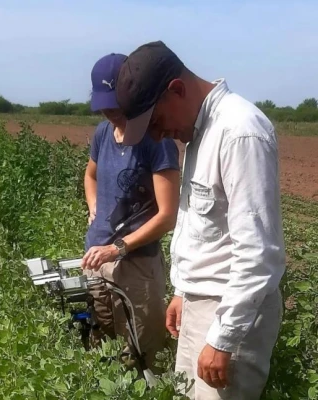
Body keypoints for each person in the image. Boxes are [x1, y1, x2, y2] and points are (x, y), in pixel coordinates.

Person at [114, 40, 286, 399]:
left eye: (157, 122)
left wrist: (223, 340)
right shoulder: (198, 134)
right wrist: (183, 292)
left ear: (176, 90)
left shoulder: (239, 131)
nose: (159, 135)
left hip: (230, 314)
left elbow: (258, 253)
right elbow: (201, 226)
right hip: (200, 305)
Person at [80, 52, 181, 374]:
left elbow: (167, 215)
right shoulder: (102, 134)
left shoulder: (156, 140)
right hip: (95, 256)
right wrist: (94, 205)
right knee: (104, 340)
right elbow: (90, 175)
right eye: (104, 106)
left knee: (142, 350)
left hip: (136, 264)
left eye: (116, 105)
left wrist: (118, 247)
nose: (110, 113)